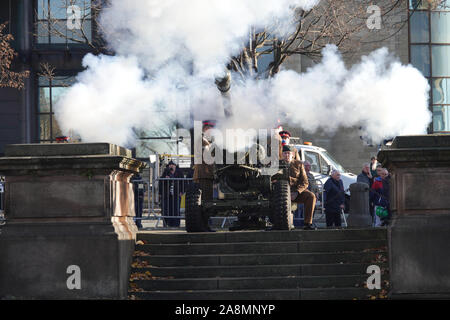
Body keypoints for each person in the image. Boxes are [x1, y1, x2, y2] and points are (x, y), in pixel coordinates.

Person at [279, 145, 316, 230]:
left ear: (292, 154)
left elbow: (305, 182)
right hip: (281, 193)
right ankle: (275, 223)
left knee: (311, 196)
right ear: (282, 154)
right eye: (285, 153)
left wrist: (297, 192)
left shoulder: (298, 164)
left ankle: (308, 223)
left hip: (295, 192)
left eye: (289, 153)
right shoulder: (277, 164)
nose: (287, 155)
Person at [192, 120, 215, 201]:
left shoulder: (209, 140)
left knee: (208, 197)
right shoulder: (201, 140)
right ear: (205, 129)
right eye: (209, 129)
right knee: (205, 200)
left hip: (208, 174)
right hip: (203, 173)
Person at [160, 160, 184, 227]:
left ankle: (176, 224)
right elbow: (161, 182)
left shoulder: (179, 172)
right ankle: (168, 223)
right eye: (170, 165)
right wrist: (165, 178)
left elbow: (183, 183)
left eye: (173, 165)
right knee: (167, 209)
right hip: (167, 195)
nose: (171, 166)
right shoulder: (166, 172)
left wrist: (182, 192)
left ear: (175, 166)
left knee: (176, 209)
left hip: (176, 194)